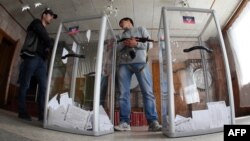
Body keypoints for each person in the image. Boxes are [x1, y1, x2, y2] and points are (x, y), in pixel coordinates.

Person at [114, 17, 162, 131]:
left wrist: (136, 44)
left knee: (147, 91)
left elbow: (150, 45)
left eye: (123, 22)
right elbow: (115, 49)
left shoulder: (141, 29)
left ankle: (152, 122)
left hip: (140, 63)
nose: (121, 25)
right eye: (120, 24)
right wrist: (124, 44)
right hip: (123, 64)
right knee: (123, 93)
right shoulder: (119, 36)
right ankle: (124, 122)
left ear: (130, 21)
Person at [17, 8, 57, 121]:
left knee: (44, 87)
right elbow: (44, 36)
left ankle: (41, 114)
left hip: (41, 62)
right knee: (25, 84)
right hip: (31, 57)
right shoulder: (36, 23)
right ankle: (22, 111)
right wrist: (49, 42)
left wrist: (48, 45)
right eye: (50, 15)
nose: (51, 18)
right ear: (44, 15)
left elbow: (48, 45)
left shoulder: (44, 32)